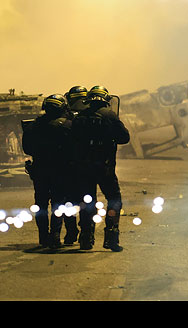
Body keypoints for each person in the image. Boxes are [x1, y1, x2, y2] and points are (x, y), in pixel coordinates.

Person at [72, 85, 130, 251]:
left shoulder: (80, 117)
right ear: (106, 99)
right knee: (113, 199)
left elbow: (72, 141)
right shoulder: (110, 116)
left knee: (87, 201)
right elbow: (124, 138)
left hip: (84, 168)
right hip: (105, 168)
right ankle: (111, 236)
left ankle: (86, 237)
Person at [22, 94, 76, 249]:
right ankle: (55, 236)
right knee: (58, 203)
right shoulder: (68, 126)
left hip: (40, 171)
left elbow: (27, 149)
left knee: (41, 204)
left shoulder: (33, 126)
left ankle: (43, 237)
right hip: (61, 171)